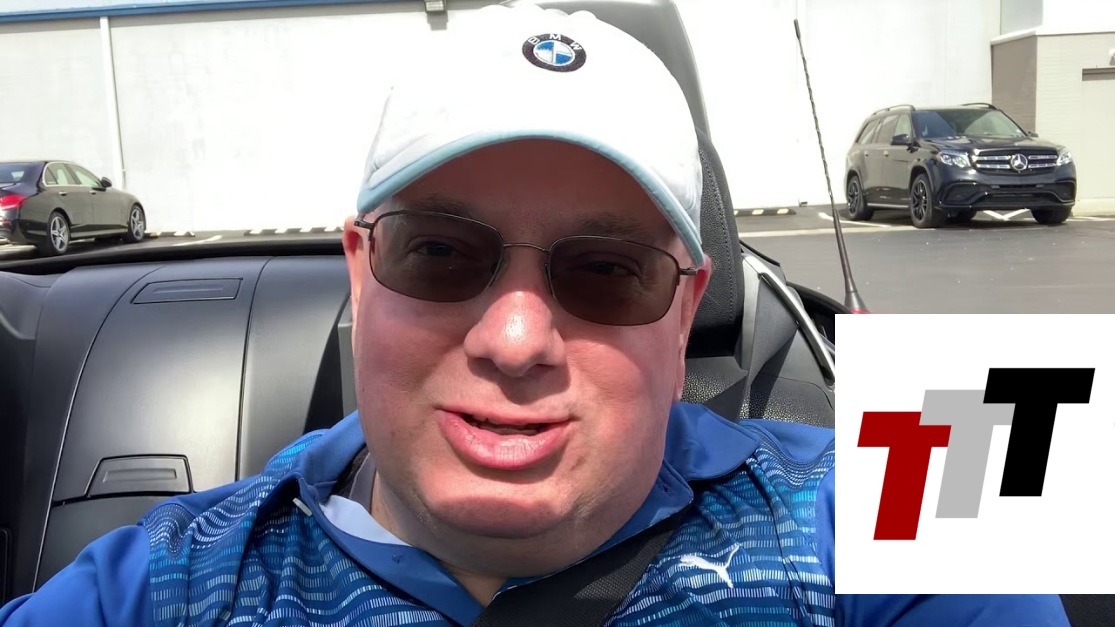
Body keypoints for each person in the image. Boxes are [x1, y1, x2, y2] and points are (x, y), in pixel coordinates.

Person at [0, 4, 1070, 626]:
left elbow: (1019, 459)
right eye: (439, 252)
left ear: (684, 306)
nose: (512, 341)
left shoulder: (896, 494)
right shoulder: (170, 582)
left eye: (606, 270)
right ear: (360, 271)